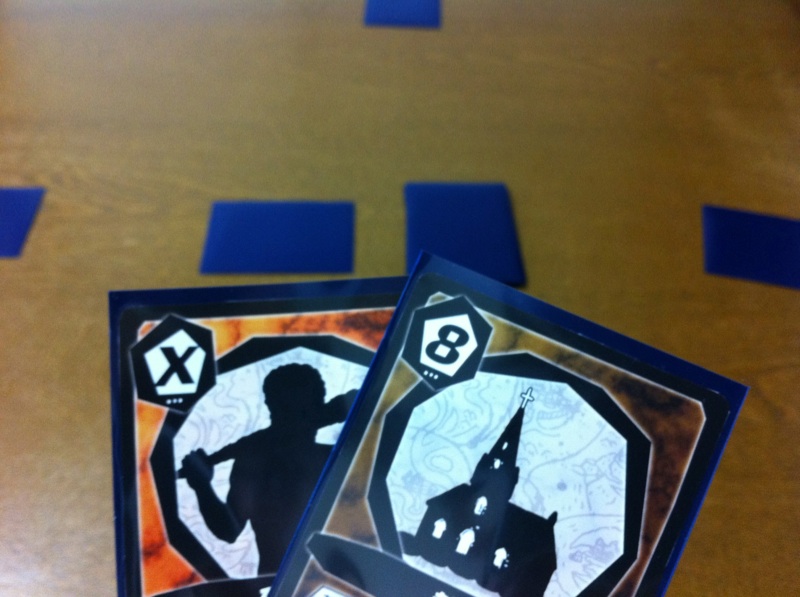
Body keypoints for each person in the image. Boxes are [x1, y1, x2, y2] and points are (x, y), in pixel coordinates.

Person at [181, 363, 355, 577]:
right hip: (275, 581)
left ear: (320, 409)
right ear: (270, 407)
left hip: (343, 581)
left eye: (302, 411)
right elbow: (228, 531)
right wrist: (201, 486)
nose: (292, 420)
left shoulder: (340, 457)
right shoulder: (253, 461)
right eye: (284, 410)